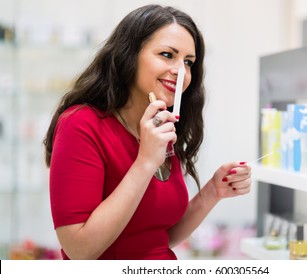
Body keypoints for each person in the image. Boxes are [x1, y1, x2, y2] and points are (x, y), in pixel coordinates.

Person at [43, 4, 251, 260]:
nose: (181, 71)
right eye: (167, 54)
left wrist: (212, 192)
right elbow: (79, 250)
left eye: (188, 62)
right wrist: (145, 162)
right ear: (128, 55)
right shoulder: (81, 124)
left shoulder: (159, 125)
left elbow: (161, 236)